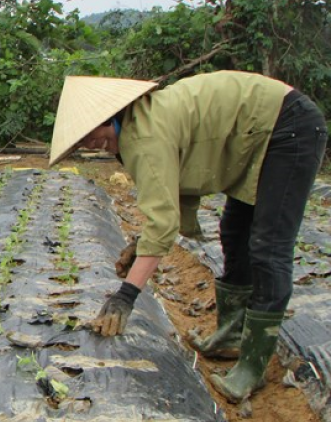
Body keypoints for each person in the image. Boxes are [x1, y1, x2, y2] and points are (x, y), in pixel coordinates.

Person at [49, 70, 328, 402]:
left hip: (286, 127)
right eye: (80, 140)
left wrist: (125, 297)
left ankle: (252, 368)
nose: (88, 144)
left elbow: (164, 222)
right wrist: (141, 246)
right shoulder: (140, 123)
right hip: (257, 133)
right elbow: (168, 203)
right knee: (234, 231)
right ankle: (230, 336)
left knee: (268, 247)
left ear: (109, 118)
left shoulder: (144, 137)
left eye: (89, 134)